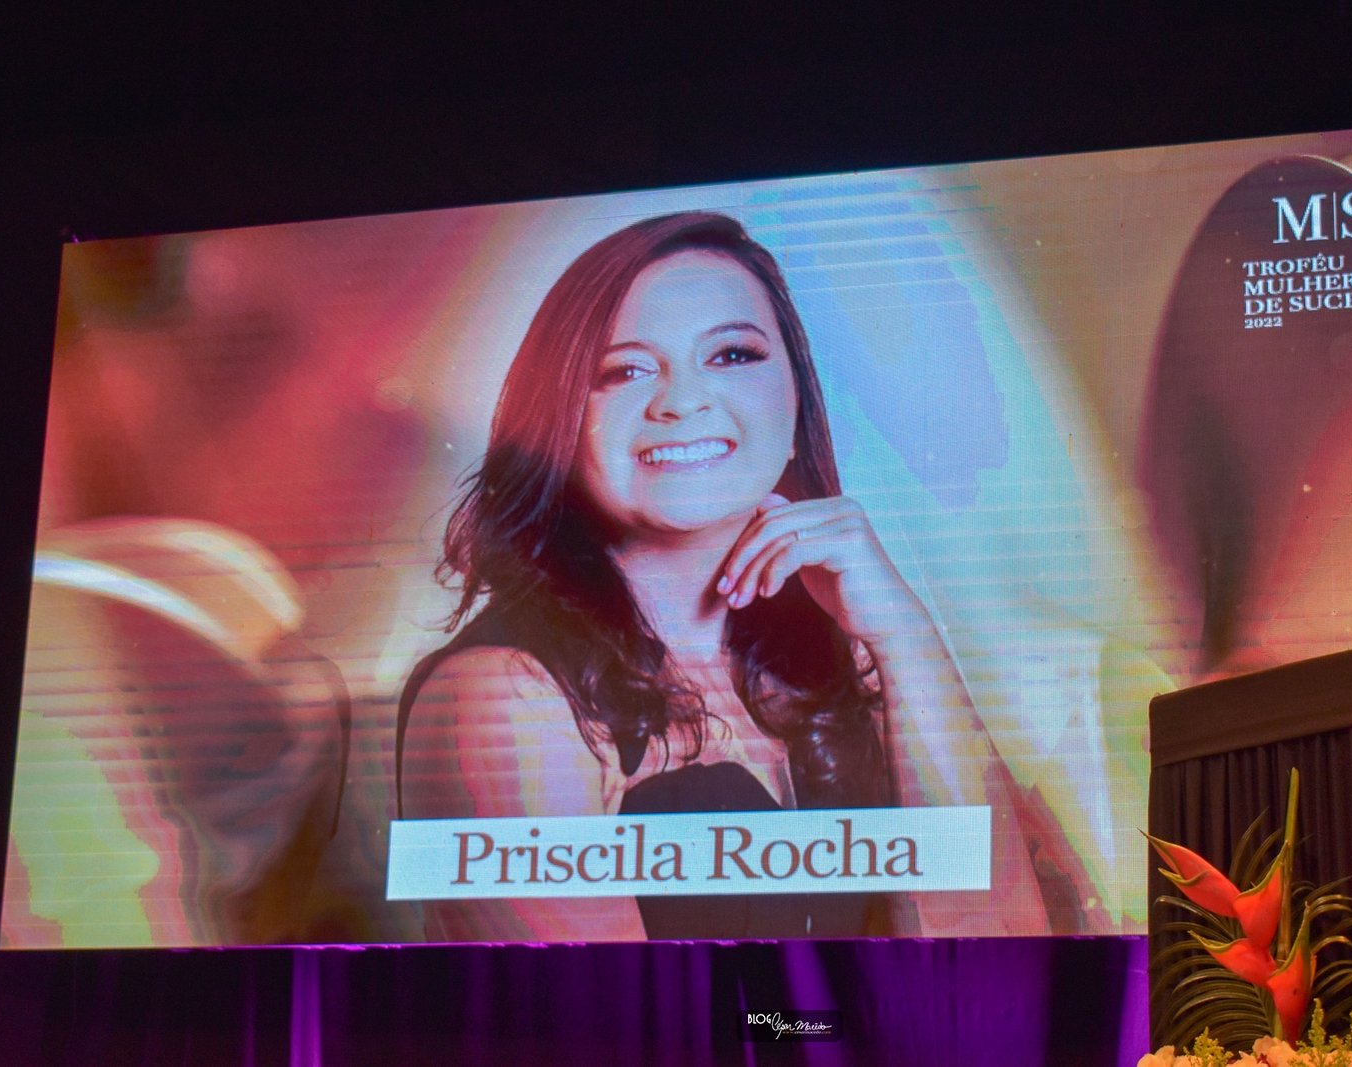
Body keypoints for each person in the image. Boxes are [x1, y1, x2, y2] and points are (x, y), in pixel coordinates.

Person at [396, 211, 1046, 940]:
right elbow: (601, 1013)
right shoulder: (501, 697)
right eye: (624, 370)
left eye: (733, 355)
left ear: (796, 402)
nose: (681, 400)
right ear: (560, 422)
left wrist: (905, 636)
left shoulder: (843, 661)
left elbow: (1002, 953)